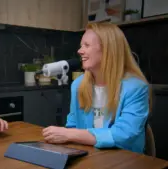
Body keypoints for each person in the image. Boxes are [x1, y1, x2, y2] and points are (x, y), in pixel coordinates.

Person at [42, 22, 150, 154]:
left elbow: (124, 135)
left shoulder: (135, 88)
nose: (80, 51)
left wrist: (69, 134)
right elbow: (73, 125)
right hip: (91, 158)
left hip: (125, 160)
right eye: (81, 46)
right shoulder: (78, 85)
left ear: (108, 50)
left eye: (86, 45)